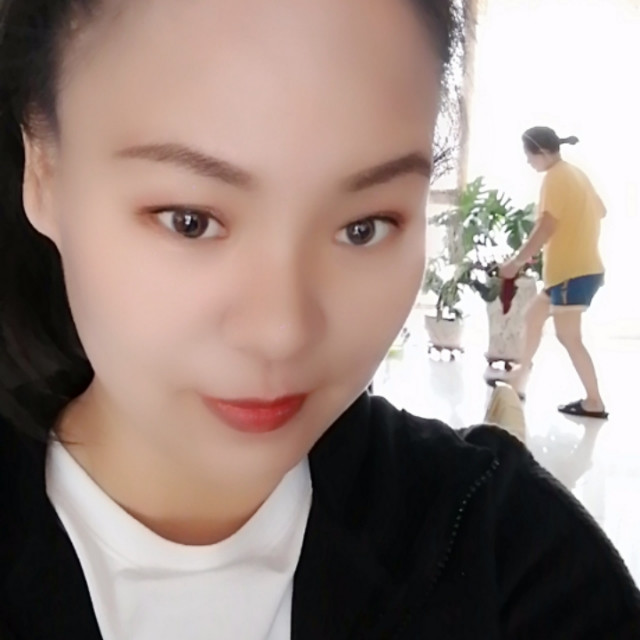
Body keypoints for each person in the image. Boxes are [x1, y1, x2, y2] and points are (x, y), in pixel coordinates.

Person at [0, 2, 638, 639]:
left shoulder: (520, 568)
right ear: (44, 173)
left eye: (364, 228)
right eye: (189, 221)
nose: (283, 331)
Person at [499, 127, 608, 419]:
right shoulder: (575, 173)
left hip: (573, 273)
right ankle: (519, 381)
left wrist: (516, 262)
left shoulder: (555, 178)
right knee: (533, 317)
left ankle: (594, 401)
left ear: (541, 152)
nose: (527, 161)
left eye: (528, 155)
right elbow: (600, 211)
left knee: (568, 336)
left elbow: (546, 226)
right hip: (573, 271)